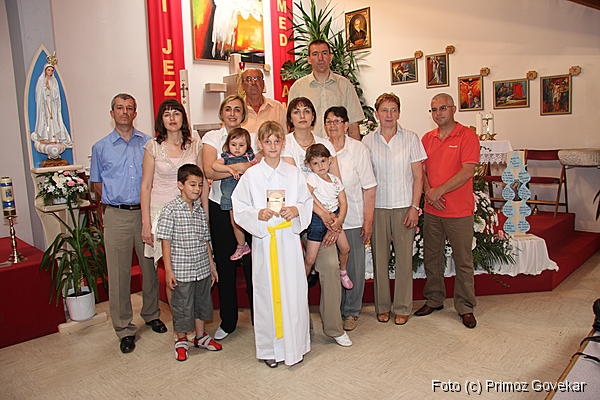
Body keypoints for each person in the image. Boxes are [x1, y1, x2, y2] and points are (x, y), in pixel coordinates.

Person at [90, 93, 167, 354]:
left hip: (145, 213)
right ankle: (124, 327)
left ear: (136, 113)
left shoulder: (148, 143)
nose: (125, 112)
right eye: (120, 108)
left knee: (149, 267)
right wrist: (116, 201)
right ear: (112, 113)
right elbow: (97, 184)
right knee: (119, 273)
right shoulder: (101, 147)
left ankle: (152, 314)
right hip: (117, 215)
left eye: (130, 108)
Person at [232, 121, 313, 367]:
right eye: (267, 142)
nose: (273, 146)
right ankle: (270, 350)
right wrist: (257, 214)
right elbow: (239, 206)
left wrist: (295, 210)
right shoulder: (252, 175)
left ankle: (295, 346)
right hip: (266, 241)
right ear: (260, 144)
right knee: (267, 294)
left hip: (288, 241)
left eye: (277, 141)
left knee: (293, 292)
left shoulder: (293, 173)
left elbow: (306, 201)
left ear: (283, 143)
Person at [282, 97, 352, 347]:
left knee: (331, 266)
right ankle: (300, 328)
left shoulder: (325, 143)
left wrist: (337, 221)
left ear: (313, 116)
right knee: (298, 270)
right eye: (296, 112)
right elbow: (297, 188)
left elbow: (337, 183)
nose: (302, 116)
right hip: (296, 217)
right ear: (290, 118)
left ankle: (334, 327)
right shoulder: (285, 144)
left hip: (328, 218)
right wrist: (323, 215)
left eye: (307, 111)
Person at [416, 93, 480, 329]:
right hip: (433, 209)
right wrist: (429, 192)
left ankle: (465, 306)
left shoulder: (467, 136)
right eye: (433, 109)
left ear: (453, 109)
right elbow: (421, 171)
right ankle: (434, 299)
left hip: (459, 210)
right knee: (432, 257)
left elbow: (467, 171)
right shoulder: (427, 138)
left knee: (463, 260)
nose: (438, 113)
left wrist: (438, 191)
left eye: (443, 108)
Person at [362, 93, 427, 326]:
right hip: (378, 208)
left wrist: (414, 207)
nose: (389, 115)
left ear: (399, 113)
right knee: (379, 260)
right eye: (384, 110)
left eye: (393, 110)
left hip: (403, 208)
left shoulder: (411, 138)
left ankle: (402, 306)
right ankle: (382, 307)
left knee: (403, 261)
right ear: (377, 113)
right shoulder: (367, 141)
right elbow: (365, 179)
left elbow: (418, 177)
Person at [202, 95, 255, 340]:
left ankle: (259, 319)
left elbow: (259, 168)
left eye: (237, 110)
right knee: (225, 266)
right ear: (221, 113)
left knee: (253, 265)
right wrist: (240, 168)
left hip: (249, 208)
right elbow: (208, 170)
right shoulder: (212, 138)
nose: (233, 113)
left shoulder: (251, 137)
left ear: (243, 115)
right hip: (221, 207)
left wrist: (233, 169)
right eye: (228, 109)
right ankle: (229, 321)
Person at [156, 164, 221, 362]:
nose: (197, 189)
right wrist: (169, 270)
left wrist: (212, 265)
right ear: (180, 185)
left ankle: (200, 336)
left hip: (201, 267)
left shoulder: (200, 210)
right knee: (182, 306)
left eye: (200, 185)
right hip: (182, 269)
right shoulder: (170, 210)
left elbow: (205, 240)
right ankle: (181, 340)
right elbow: (165, 242)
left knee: (202, 303)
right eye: (192, 184)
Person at [324, 106, 376, 332]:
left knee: (353, 268)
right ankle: (334, 311)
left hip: (352, 218)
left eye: (337, 121)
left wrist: (368, 221)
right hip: (326, 220)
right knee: (331, 268)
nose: (332, 125)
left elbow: (369, 187)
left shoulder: (358, 149)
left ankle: (352, 311)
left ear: (346, 125)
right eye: (329, 121)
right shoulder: (320, 147)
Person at [141, 99, 208, 266]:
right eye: (167, 114)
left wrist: (206, 213)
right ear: (161, 120)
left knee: (191, 262)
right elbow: (146, 186)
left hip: (190, 210)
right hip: (161, 211)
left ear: (183, 118)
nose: (172, 118)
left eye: (176, 113)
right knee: (168, 265)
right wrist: (146, 223)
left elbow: (203, 181)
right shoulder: (152, 146)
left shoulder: (195, 145)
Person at [288, 39, 364, 140]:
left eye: (324, 53)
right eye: (315, 54)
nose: (320, 58)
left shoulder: (345, 86)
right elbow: (292, 125)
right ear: (309, 59)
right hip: (308, 147)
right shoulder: (298, 87)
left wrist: (356, 148)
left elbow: (353, 125)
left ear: (330, 57)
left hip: (338, 147)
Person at [303, 143, 352, 290]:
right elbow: (307, 195)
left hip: (335, 217)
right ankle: (302, 283)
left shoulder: (335, 180)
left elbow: (343, 202)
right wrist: (324, 211)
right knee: (310, 259)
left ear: (330, 160)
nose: (320, 166)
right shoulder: (312, 178)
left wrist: (339, 220)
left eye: (323, 161)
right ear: (309, 165)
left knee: (345, 248)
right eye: (315, 163)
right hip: (317, 219)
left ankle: (343, 271)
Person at [212, 127, 256, 260]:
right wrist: (230, 169)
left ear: (247, 146)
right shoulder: (226, 157)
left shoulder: (249, 158)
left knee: (249, 221)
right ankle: (242, 245)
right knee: (235, 222)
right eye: (233, 144)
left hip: (247, 198)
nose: (237, 148)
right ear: (227, 145)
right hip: (230, 198)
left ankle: (255, 245)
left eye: (241, 145)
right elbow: (214, 165)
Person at [32, 63, 72, 146]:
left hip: (52, 104)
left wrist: (50, 89)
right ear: (45, 70)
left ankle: (54, 137)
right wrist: (44, 89)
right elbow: (38, 93)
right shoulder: (41, 80)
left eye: (51, 70)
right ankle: (45, 137)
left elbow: (56, 94)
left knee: (53, 120)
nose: (50, 72)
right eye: (48, 70)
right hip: (44, 105)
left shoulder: (54, 81)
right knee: (45, 120)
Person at [239, 68, 287, 134]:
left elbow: (284, 136)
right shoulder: (237, 109)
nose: (253, 83)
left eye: (257, 78)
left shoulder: (278, 108)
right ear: (242, 85)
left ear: (263, 83)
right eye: (248, 79)